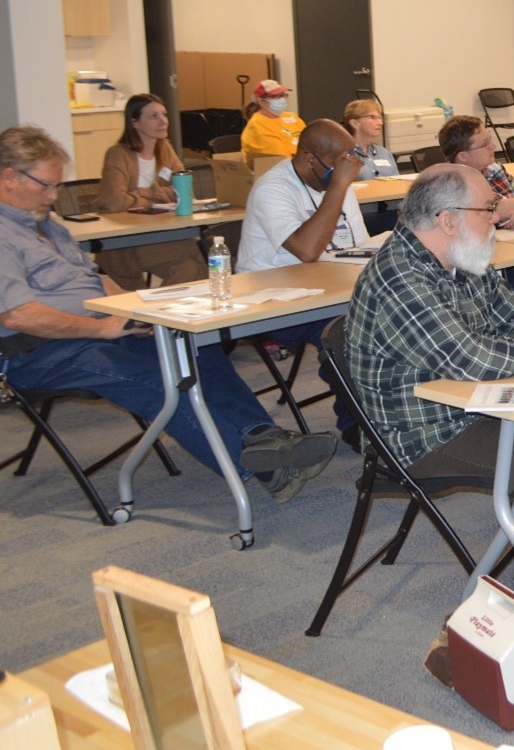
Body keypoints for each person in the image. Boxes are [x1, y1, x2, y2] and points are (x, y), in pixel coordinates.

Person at [345, 163, 514, 670]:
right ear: (448, 218)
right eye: (487, 210)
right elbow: (469, 359)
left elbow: (513, 314)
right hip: (421, 430)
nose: (497, 219)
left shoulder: (458, 257)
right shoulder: (400, 276)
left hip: (463, 405)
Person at [0, 125, 336, 502]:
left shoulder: (45, 224)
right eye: (46, 185)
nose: (54, 195)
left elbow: (94, 277)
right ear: (9, 177)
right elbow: (18, 316)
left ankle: (264, 437)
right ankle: (263, 464)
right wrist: (105, 330)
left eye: (57, 186)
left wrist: (135, 311)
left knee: (193, 349)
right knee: (155, 376)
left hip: (97, 326)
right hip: (36, 349)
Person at [236, 119, 363, 449]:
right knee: (347, 330)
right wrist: (337, 188)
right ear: (310, 159)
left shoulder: (337, 183)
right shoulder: (272, 188)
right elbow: (306, 250)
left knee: (394, 313)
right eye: (341, 164)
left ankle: (404, 412)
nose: (349, 170)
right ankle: (360, 427)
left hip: (328, 289)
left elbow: (359, 248)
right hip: (276, 302)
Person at [94, 93, 207, 290]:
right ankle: (158, 315)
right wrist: (154, 194)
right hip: (125, 242)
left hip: (160, 233)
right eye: (153, 116)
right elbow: (113, 201)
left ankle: (158, 316)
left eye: (164, 114)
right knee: (199, 252)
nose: (163, 121)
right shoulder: (118, 154)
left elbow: (183, 189)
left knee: (189, 267)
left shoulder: (165, 149)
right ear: (135, 122)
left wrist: (141, 194)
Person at [438, 115, 514, 231]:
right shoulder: (455, 186)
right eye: (485, 144)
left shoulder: (497, 171)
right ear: (463, 156)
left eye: (490, 140)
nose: (493, 146)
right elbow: (499, 207)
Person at [240, 79, 306, 162]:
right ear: (261, 101)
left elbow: (311, 141)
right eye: (276, 96)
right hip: (281, 171)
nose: (282, 99)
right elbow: (279, 161)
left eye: (283, 95)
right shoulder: (257, 125)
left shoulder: (291, 116)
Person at [342, 99, 398, 180]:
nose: (380, 123)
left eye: (380, 118)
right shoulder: (346, 154)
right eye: (372, 117)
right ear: (355, 123)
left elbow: (397, 182)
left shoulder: (384, 152)